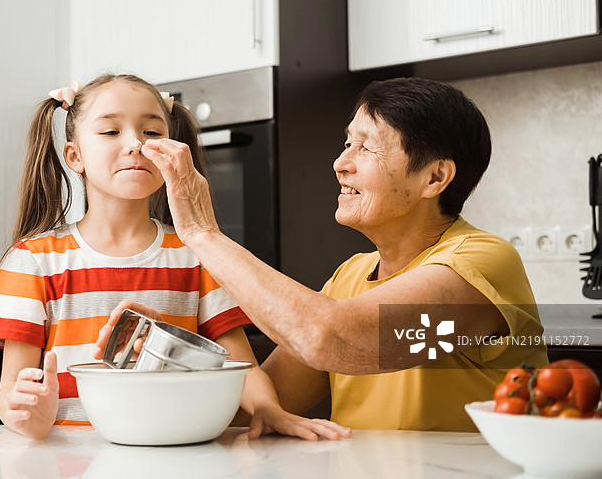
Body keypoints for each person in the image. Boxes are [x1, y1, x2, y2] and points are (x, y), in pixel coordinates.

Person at [130, 76, 548, 432]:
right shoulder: (351, 275)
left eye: (365, 148)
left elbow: (329, 337)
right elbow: (259, 409)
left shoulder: (483, 261)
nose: (339, 163)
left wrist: (203, 234)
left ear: (434, 177)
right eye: (347, 143)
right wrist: (171, 347)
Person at [0, 73, 349, 440]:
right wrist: (30, 418)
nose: (136, 143)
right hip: (69, 462)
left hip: (174, 456)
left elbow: (240, 367)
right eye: (110, 131)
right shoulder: (34, 260)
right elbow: (10, 396)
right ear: (74, 155)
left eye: (152, 132)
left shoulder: (196, 254)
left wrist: (269, 409)